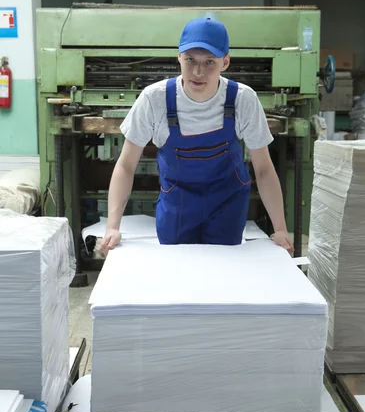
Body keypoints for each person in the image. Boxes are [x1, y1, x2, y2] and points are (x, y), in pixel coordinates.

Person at [100, 17, 293, 254]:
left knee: (223, 271)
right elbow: (126, 166)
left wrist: (280, 229)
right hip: (178, 204)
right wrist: (112, 227)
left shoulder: (243, 99)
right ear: (179, 57)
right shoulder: (154, 99)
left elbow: (263, 169)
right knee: (178, 273)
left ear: (225, 62)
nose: (198, 71)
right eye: (190, 59)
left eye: (209, 61)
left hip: (227, 203)